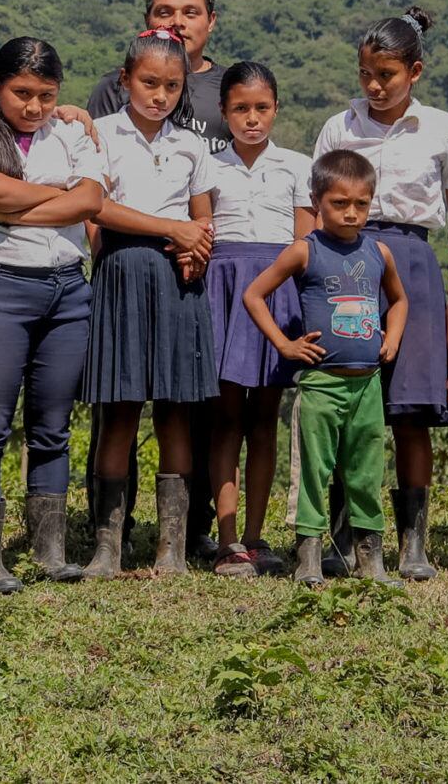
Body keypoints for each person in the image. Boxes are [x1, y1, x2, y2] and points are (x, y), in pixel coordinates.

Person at [310, 7, 448, 582]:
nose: (375, 86)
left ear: (416, 70)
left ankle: (413, 543)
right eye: (366, 74)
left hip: (413, 263)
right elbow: (314, 207)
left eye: (387, 74)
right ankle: (338, 538)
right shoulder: (339, 126)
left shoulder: (442, 129)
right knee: (341, 404)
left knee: (409, 411)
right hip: (343, 261)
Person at [0, 38, 106, 590]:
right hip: (3, 285)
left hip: (68, 289)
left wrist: (14, 206)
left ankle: (49, 550)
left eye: (46, 95)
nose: (34, 107)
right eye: (22, 93)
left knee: (53, 427)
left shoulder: (71, 131)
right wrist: (49, 193)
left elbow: (89, 200)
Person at [81, 29, 215, 579]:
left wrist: (197, 250)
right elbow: (97, 208)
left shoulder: (191, 144)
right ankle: (108, 547)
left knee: (175, 413)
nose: (159, 95)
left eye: (172, 86)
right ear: (125, 81)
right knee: (119, 411)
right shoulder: (100, 136)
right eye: (148, 83)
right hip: (121, 270)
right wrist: (176, 229)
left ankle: (172, 549)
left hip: (178, 280)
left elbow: (204, 216)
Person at [243, 150, 410, 587]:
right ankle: (309, 560)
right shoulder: (304, 251)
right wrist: (285, 344)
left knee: (366, 470)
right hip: (320, 385)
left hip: (367, 385)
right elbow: (254, 296)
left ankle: (371, 561)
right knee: (314, 473)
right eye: (340, 203)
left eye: (361, 203)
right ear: (317, 199)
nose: (351, 213)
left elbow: (399, 300)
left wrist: (391, 338)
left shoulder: (378, 252)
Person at [189, 62, 311, 578]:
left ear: (276, 109)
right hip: (221, 288)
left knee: (265, 417)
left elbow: (306, 242)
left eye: (262, 108)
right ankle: (228, 540)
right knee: (226, 418)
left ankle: (258, 538)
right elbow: (200, 231)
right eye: (240, 109)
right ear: (224, 112)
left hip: (279, 291)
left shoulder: (298, 166)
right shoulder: (207, 165)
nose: (252, 119)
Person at [84, 0, 227, 141]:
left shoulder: (231, 88)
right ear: (147, 20)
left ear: (211, 21)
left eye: (190, 13)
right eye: (164, 13)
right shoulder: (114, 87)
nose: (177, 22)